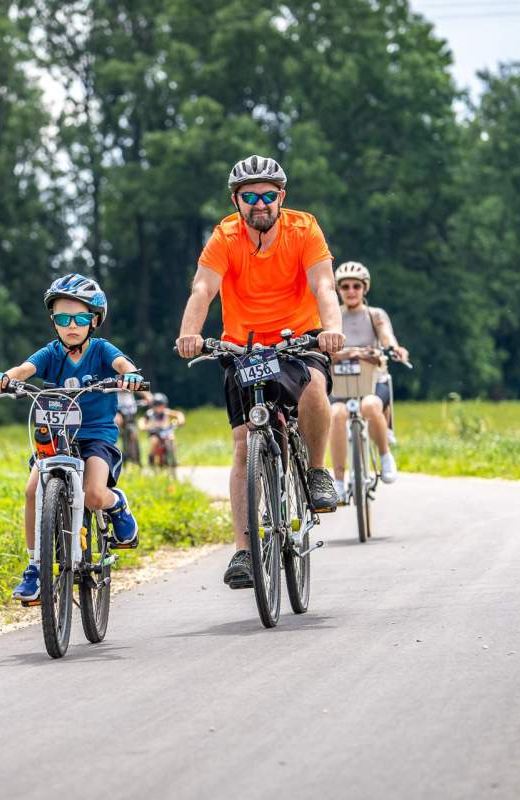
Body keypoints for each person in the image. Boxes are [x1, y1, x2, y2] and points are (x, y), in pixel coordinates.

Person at [175, 154, 345, 589]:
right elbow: (203, 287)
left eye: (267, 195)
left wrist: (332, 329)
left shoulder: (303, 228)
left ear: (281, 197)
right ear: (236, 201)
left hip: (299, 340)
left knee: (313, 386)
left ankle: (317, 471)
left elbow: (324, 284)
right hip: (244, 348)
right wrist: (189, 334)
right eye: (249, 197)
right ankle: (244, 551)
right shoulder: (225, 236)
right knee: (243, 444)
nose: (259, 204)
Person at [0, 273, 145, 603]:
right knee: (33, 490)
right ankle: (35, 567)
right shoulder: (51, 353)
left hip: (95, 435)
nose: (71, 325)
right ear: (53, 322)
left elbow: (122, 363)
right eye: (62, 318)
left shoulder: (101, 350)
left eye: (80, 318)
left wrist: (129, 375)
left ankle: (117, 504)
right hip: (56, 435)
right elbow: (24, 370)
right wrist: (5, 378)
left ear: (94, 320)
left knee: (94, 495)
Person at [328, 261, 409, 492]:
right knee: (336, 414)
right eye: (345, 287)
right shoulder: (334, 315)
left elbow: (386, 336)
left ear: (365, 288)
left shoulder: (375, 315)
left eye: (356, 286)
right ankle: (339, 481)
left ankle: (385, 456)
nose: (351, 291)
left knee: (371, 406)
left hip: (372, 381)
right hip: (341, 384)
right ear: (338, 289)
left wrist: (394, 348)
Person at [139, 393, 186, 466]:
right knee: (154, 441)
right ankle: (151, 459)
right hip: (154, 432)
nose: (160, 408)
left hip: (166, 432)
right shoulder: (150, 413)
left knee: (171, 438)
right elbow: (142, 420)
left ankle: (173, 457)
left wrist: (181, 420)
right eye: (158, 406)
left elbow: (178, 414)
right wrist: (143, 426)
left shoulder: (166, 412)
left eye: (162, 405)